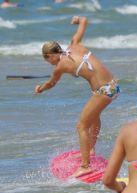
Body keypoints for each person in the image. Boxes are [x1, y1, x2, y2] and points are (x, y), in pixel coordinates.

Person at [35, 16, 120, 177]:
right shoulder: (75, 44)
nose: (49, 63)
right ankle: (91, 149)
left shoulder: (59, 66)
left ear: (50, 55)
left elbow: (51, 83)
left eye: (47, 60)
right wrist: (78, 19)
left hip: (103, 91)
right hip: (113, 85)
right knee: (94, 117)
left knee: (81, 126)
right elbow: (84, 21)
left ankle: (86, 165)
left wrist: (40, 88)